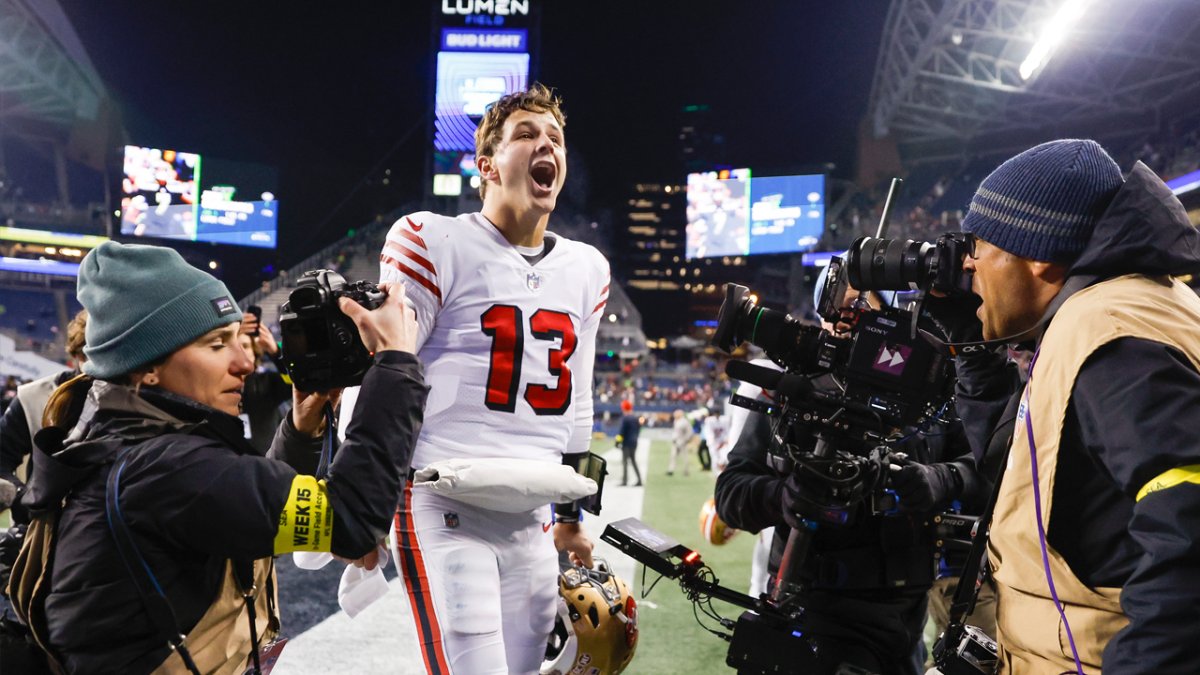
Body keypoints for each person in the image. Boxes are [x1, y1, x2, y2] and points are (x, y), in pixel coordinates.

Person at [14, 241, 427, 674]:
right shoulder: (166, 466)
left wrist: (302, 431)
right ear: (147, 367)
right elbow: (351, 521)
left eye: (238, 339)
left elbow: (253, 509)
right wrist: (396, 365)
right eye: (216, 345)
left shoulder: (128, 444)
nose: (245, 361)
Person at [341, 83, 609, 675]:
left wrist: (571, 520)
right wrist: (361, 503)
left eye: (556, 139)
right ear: (486, 165)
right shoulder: (434, 240)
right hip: (444, 501)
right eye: (527, 135)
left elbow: (579, 405)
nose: (547, 146)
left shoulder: (587, 268)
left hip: (534, 516)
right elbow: (382, 372)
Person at [948, 139, 1200, 672]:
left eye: (980, 243)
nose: (968, 262)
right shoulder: (1122, 308)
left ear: (1038, 256)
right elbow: (1030, 479)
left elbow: (1191, 529)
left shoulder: (1106, 331)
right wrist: (971, 355)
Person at [714, 283, 985, 675]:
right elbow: (731, 493)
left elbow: (990, 474)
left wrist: (942, 479)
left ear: (890, 318)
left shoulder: (931, 390)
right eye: (836, 309)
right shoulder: (793, 389)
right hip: (808, 610)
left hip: (902, 623)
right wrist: (782, 497)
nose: (846, 320)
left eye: (860, 308)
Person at [616, 399, 642, 487]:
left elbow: (621, 432)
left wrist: (617, 441)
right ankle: (639, 480)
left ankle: (625, 480)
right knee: (634, 461)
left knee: (625, 462)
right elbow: (638, 430)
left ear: (624, 408)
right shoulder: (635, 418)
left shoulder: (625, 418)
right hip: (634, 442)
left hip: (626, 443)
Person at [668, 408, 693, 476]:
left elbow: (689, 432)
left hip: (682, 441)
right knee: (673, 456)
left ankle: (686, 470)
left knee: (684, 456)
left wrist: (686, 440)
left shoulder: (685, 422)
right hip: (675, 441)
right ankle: (671, 470)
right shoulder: (676, 421)